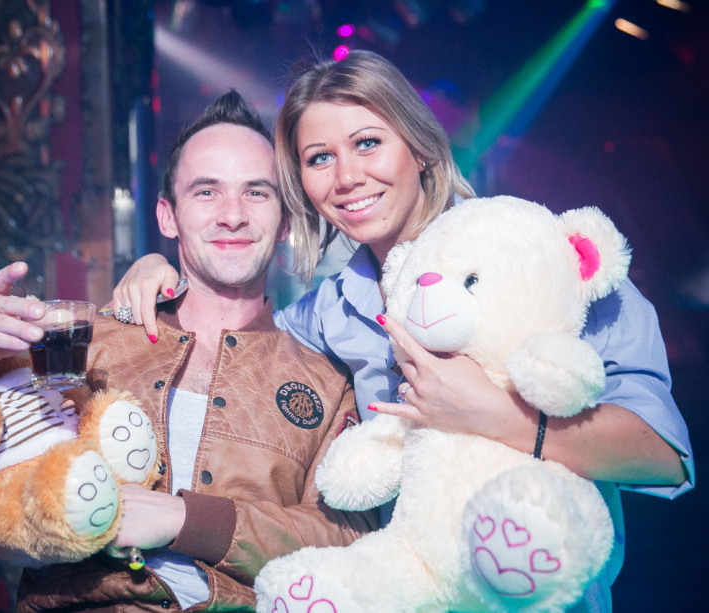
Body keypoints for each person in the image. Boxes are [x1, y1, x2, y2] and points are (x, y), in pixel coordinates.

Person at [110, 50, 694, 610]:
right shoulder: (332, 311)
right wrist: (161, 271)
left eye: (367, 143)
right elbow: (236, 324)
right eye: (319, 158)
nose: (347, 177)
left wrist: (496, 415)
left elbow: (662, 455)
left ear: (419, 148)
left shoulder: (535, 254)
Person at [0, 90, 378, 611]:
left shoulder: (327, 382)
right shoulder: (82, 342)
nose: (232, 215)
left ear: (287, 222)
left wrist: (187, 519)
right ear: (168, 216)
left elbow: (349, 542)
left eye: (257, 193)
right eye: (206, 192)